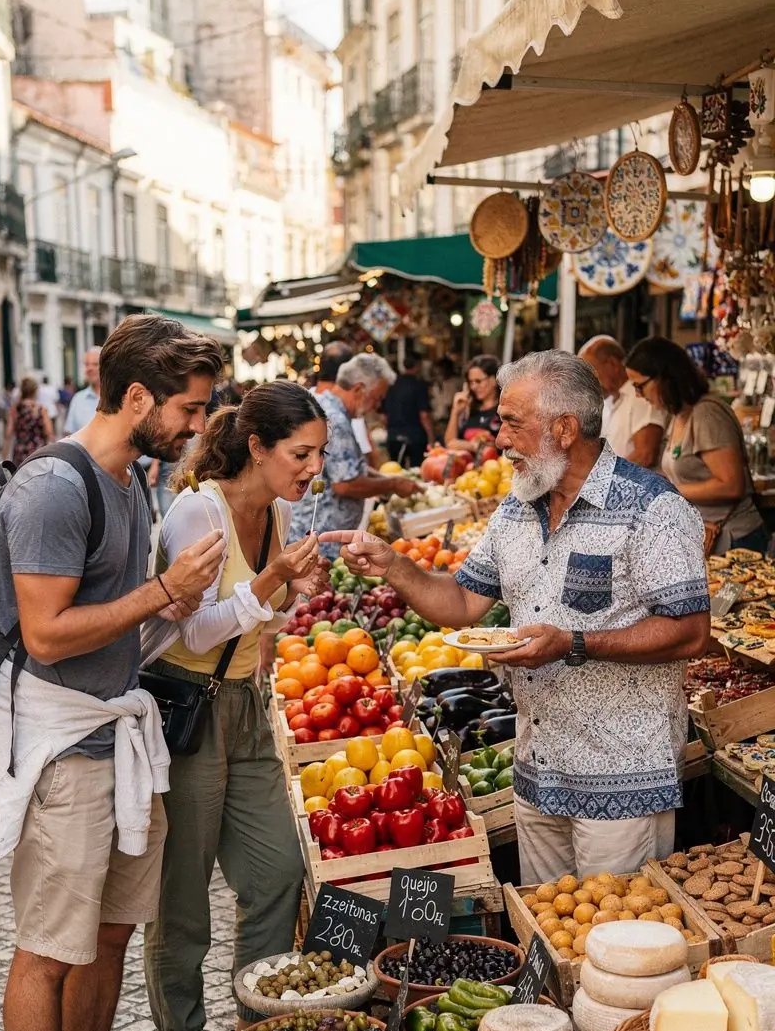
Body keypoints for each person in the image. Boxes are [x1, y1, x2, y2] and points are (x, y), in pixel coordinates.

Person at [0, 314, 227, 1031]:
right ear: (139, 395)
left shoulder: (131, 483)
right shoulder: (54, 486)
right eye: (188, 409)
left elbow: (125, 625)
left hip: (119, 741)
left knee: (109, 939)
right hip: (62, 750)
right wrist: (167, 592)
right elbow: (46, 632)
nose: (197, 426)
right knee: (47, 952)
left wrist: (195, 603)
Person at [321, 350, 711, 884]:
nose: (498, 439)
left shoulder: (652, 508)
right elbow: (461, 603)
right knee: (546, 934)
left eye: (511, 423)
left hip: (621, 778)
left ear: (566, 428)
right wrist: (394, 566)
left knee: (614, 944)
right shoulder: (517, 506)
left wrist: (574, 642)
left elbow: (690, 630)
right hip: (537, 769)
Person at [142, 383, 327, 1031]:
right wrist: (274, 582)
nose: (313, 468)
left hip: (249, 706)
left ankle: (256, 1024)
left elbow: (262, 620)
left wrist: (292, 591)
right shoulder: (199, 509)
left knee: (278, 869)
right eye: (300, 453)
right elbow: (191, 630)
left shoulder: (278, 511)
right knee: (182, 895)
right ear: (257, 447)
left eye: (319, 453)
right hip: (187, 709)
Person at [626, 338, 768, 556]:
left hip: (735, 538)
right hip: (709, 535)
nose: (637, 394)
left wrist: (669, 491)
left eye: (639, 386)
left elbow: (731, 485)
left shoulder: (706, 415)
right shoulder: (677, 416)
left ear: (664, 377)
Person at [288, 352, 418, 561]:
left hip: (314, 534)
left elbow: (349, 468)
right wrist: (392, 485)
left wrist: (388, 481)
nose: (377, 405)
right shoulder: (336, 419)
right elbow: (345, 484)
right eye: (377, 398)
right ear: (358, 389)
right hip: (321, 540)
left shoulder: (327, 407)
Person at [578, 335, 666, 469]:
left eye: (591, 374)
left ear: (613, 364)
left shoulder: (641, 396)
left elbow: (645, 455)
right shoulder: (609, 403)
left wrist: (602, 479)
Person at [382, 352, 434, 469]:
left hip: (393, 436)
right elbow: (424, 415)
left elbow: (383, 416)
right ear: (418, 365)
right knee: (416, 472)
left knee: (394, 471)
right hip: (415, 437)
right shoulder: (420, 386)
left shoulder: (392, 385)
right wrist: (431, 437)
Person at [444, 354, 501, 451]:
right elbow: (449, 443)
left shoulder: (503, 410)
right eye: (471, 382)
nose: (473, 387)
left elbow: (497, 447)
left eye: (478, 381)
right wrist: (455, 412)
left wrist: (468, 446)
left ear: (493, 380)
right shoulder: (470, 409)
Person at [4, 376, 54, 468]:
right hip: (39, 452)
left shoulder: (15, 409)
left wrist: (4, 454)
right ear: (35, 391)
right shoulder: (41, 410)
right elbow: (49, 432)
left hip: (20, 453)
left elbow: (8, 433)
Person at [63, 347, 102, 434]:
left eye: (95, 364)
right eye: (87, 364)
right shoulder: (78, 399)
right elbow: (69, 434)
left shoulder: (119, 397)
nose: (89, 368)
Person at [431, 356, 461, 434]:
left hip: (449, 422)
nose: (438, 372)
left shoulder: (456, 383)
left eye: (441, 369)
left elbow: (450, 403)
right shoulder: (435, 385)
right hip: (435, 422)